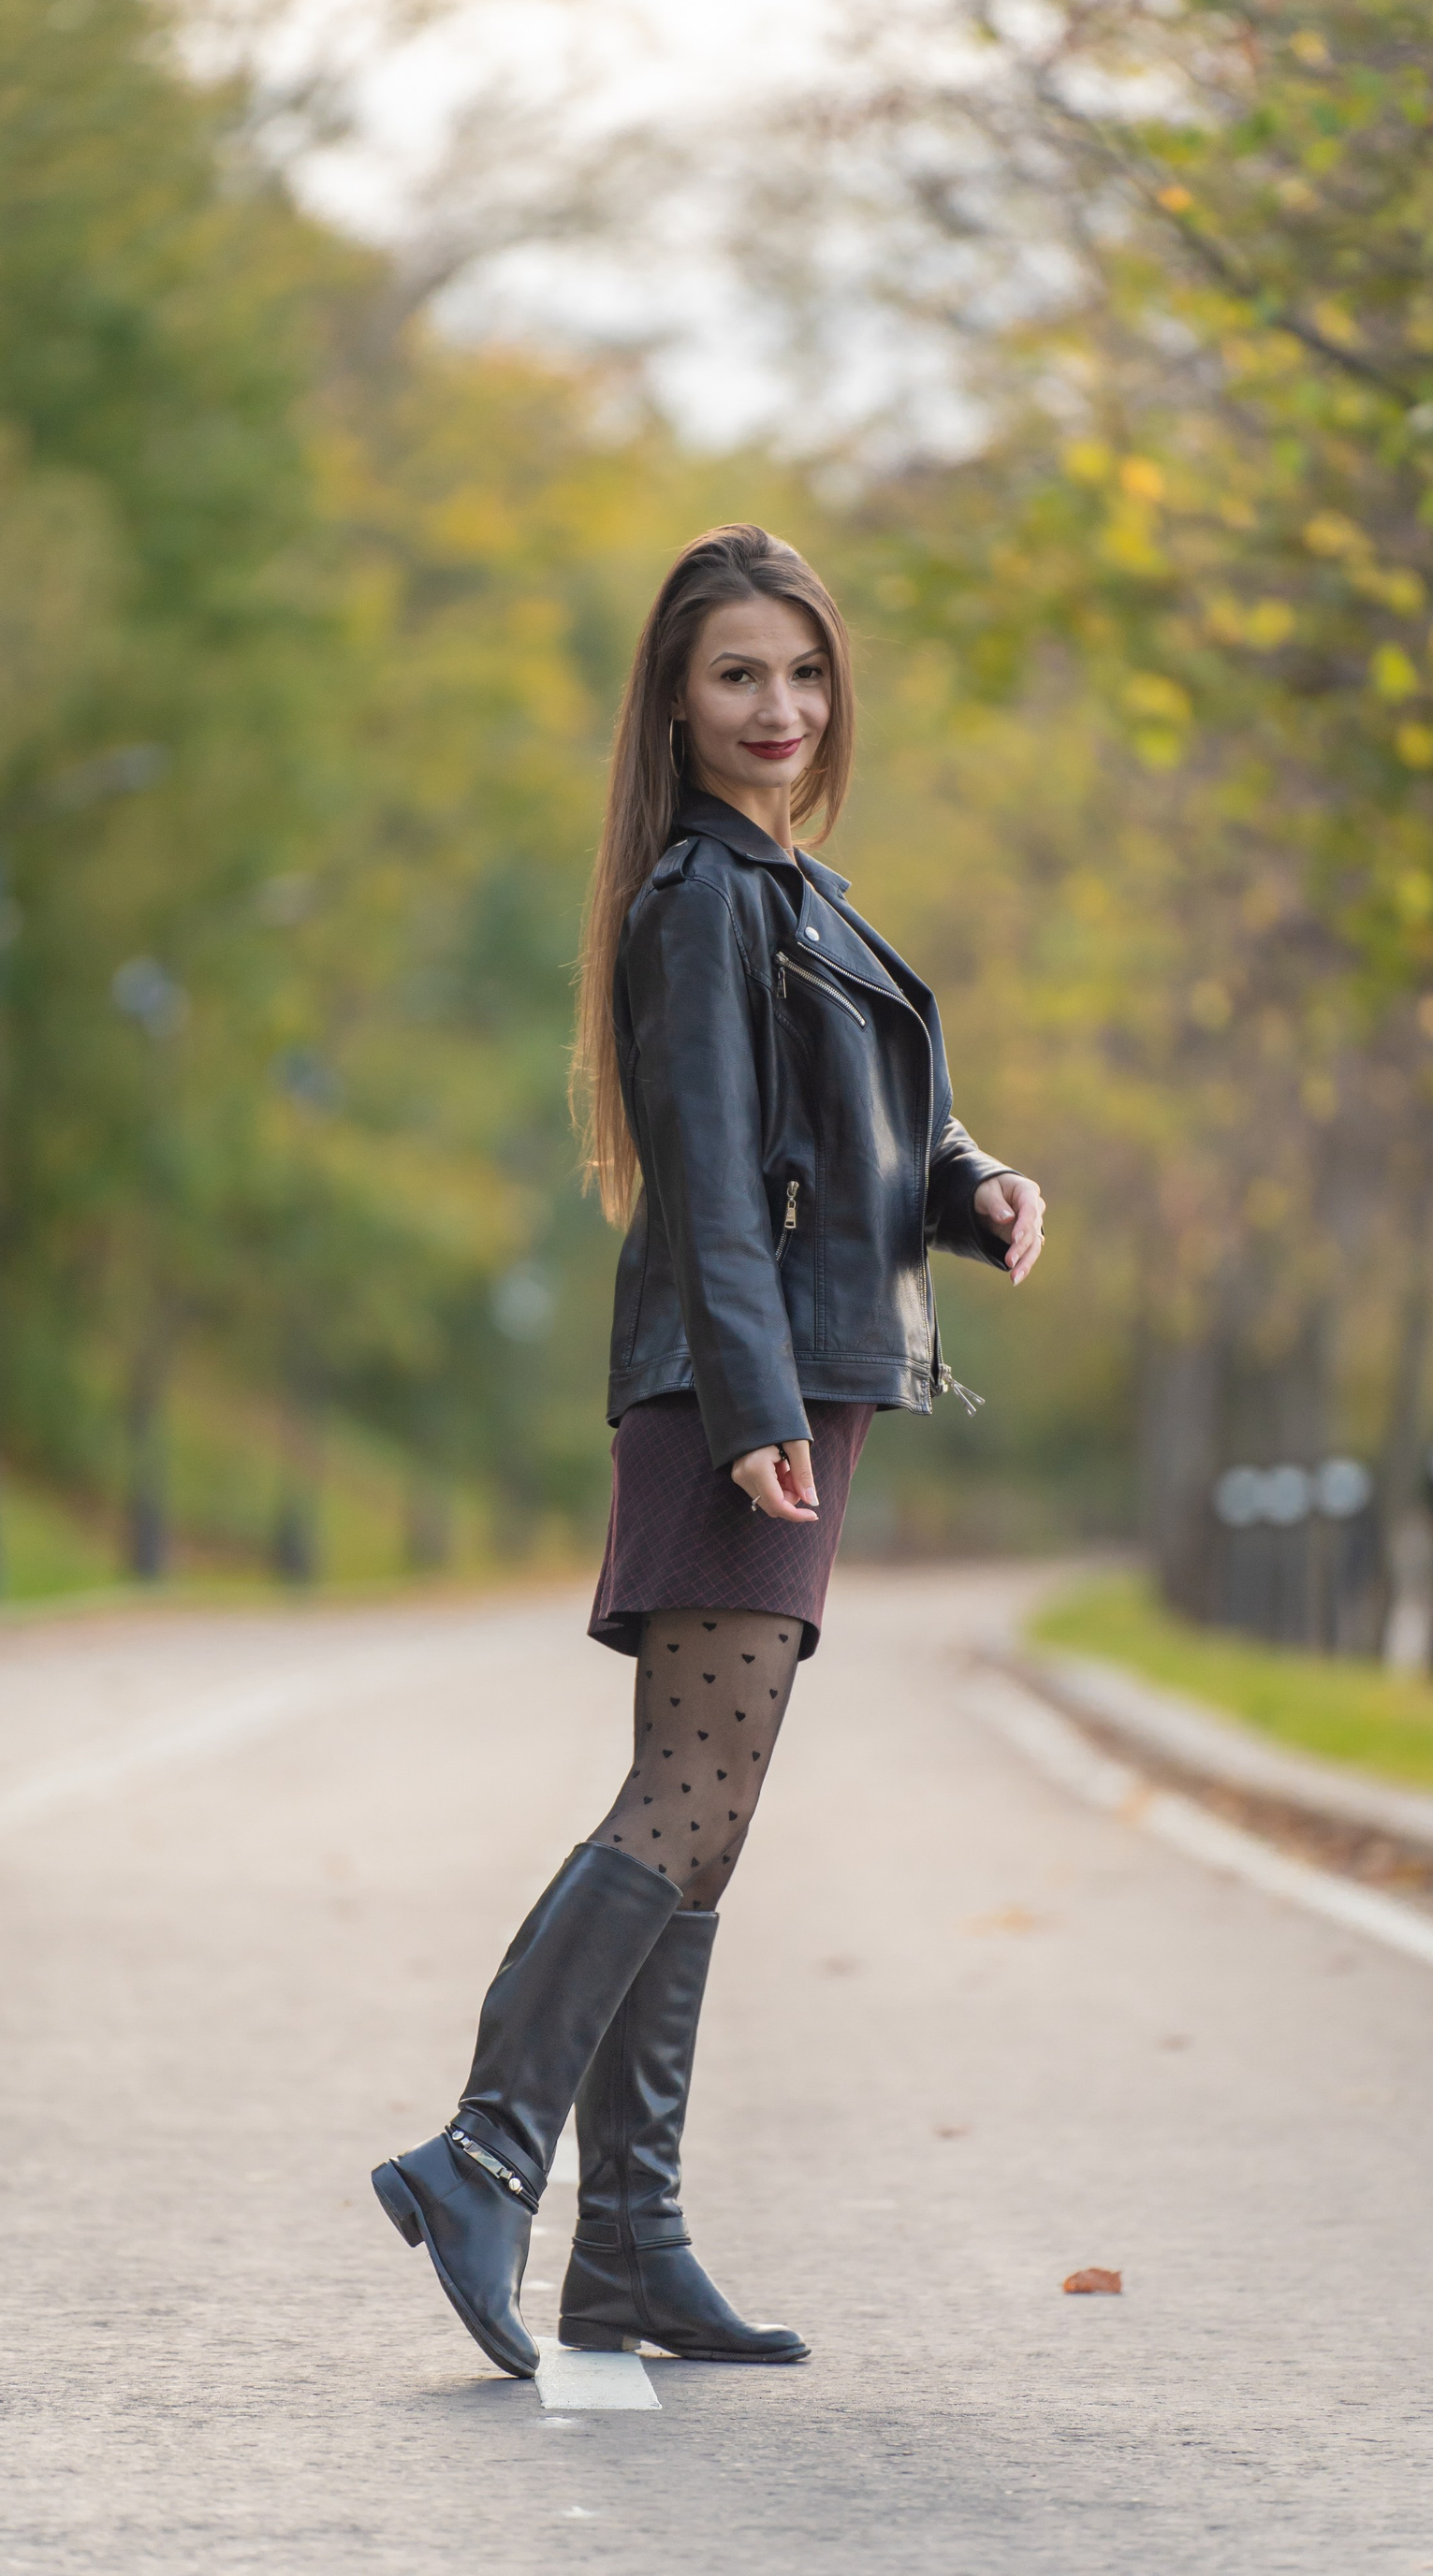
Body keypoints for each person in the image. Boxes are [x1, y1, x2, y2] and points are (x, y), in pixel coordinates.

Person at [373, 524, 1045, 2378]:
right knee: (686, 1795)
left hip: (783, 1387)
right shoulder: (700, 896)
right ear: (676, 698)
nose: (779, 706)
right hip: (734, 1395)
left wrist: (977, 1186)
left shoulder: (795, 893)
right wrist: (753, 1412)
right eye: (739, 673)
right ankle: (484, 2155)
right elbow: (715, 1182)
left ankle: (629, 2250)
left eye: (804, 673)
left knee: (710, 1813)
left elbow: (866, 1129)